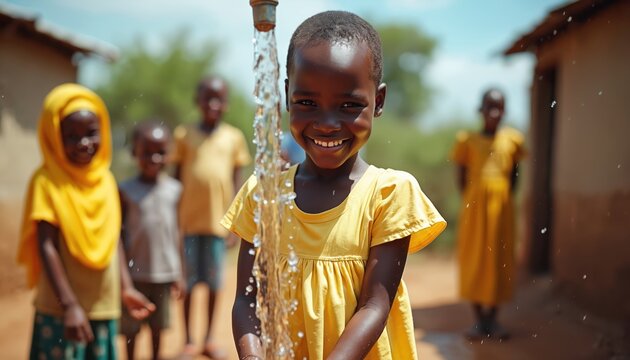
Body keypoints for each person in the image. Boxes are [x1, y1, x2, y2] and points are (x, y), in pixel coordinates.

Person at [222, 11, 447, 360]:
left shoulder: (388, 195)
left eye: (349, 106)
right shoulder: (264, 194)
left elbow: (375, 303)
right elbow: (247, 299)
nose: (327, 125)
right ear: (286, 95)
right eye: (307, 103)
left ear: (379, 102)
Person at [16, 83, 155, 359]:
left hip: (102, 305)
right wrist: (69, 306)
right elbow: (47, 246)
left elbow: (112, 238)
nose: (84, 144)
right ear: (53, 136)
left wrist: (125, 288)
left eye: (91, 133)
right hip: (61, 310)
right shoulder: (47, 181)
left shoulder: (105, 181)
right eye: (71, 136)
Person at [172, 75, 252, 358]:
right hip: (188, 224)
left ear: (226, 104)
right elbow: (176, 180)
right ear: (198, 101)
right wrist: (173, 223)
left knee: (216, 285)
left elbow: (236, 183)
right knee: (188, 285)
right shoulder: (184, 135)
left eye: (218, 99)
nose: (213, 104)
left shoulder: (233, 138)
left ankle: (208, 338)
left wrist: (234, 225)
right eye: (207, 98)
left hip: (219, 226)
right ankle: (189, 340)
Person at [451, 88, 526, 340]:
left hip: (502, 210)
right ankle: (479, 320)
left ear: (504, 111)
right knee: (475, 257)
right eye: (489, 106)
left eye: (499, 106)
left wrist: (501, 199)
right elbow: (461, 177)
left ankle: (493, 319)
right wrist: (475, 201)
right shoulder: (467, 140)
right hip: (475, 209)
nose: (494, 112)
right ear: (480, 110)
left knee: (499, 259)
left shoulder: (513, 141)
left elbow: (515, 177)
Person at [119, 122, 184, 360]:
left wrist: (180, 273)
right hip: (134, 276)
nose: (154, 158)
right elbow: (118, 235)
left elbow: (177, 232)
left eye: (160, 152)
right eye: (147, 152)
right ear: (135, 152)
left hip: (164, 275)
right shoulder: (125, 190)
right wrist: (122, 279)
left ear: (169, 154)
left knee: (158, 329)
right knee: (131, 330)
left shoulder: (175, 190)